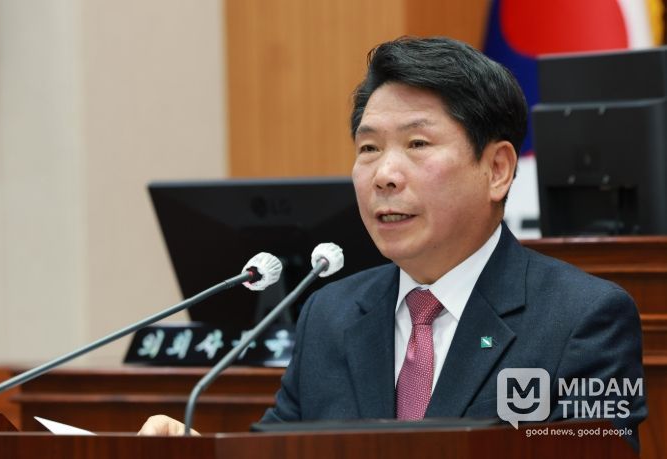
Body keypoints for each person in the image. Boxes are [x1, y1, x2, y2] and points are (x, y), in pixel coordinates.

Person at [139, 36, 646, 448]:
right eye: (368, 148)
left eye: (417, 144)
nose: (383, 174)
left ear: (497, 169)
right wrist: (196, 451)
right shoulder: (330, 316)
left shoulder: (583, 318)